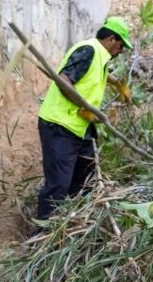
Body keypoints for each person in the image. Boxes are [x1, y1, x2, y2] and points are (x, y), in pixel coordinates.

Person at [36, 16, 133, 221]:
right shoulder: (88, 50)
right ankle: (42, 233)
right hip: (60, 125)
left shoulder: (99, 56)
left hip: (79, 128)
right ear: (111, 39)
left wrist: (117, 83)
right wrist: (84, 107)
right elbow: (63, 80)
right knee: (58, 186)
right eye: (121, 45)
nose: (121, 51)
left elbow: (93, 73)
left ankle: (72, 225)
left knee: (85, 181)